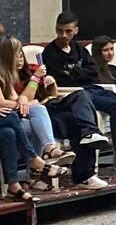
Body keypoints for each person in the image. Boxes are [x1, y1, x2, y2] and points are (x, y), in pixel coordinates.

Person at [41, 14, 116, 182]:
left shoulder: (79, 49)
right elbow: (62, 80)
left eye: (68, 31)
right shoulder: (50, 52)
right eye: (60, 31)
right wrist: (80, 73)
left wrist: (74, 72)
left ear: (76, 30)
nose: (63, 35)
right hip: (75, 94)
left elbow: (93, 73)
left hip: (93, 88)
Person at [3, 37, 71, 171]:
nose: (20, 59)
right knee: (36, 117)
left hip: (25, 116)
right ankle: (39, 168)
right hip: (10, 120)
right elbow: (7, 102)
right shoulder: (4, 76)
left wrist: (51, 83)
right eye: (16, 56)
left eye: (21, 55)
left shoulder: (29, 69)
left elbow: (51, 95)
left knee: (37, 114)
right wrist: (34, 80)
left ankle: (46, 154)